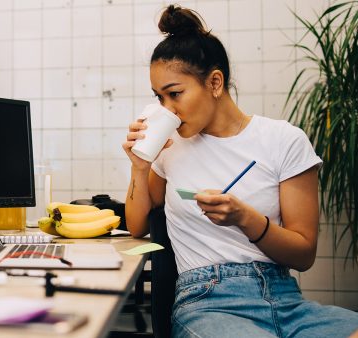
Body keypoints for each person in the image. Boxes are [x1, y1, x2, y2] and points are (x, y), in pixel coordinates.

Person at [122, 4, 358, 338]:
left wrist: (244, 218)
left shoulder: (283, 140)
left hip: (286, 300)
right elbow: (136, 225)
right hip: (208, 302)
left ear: (215, 82)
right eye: (159, 98)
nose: (167, 109)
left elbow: (304, 254)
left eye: (174, 94)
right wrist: (139, 166)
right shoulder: (170, 148)